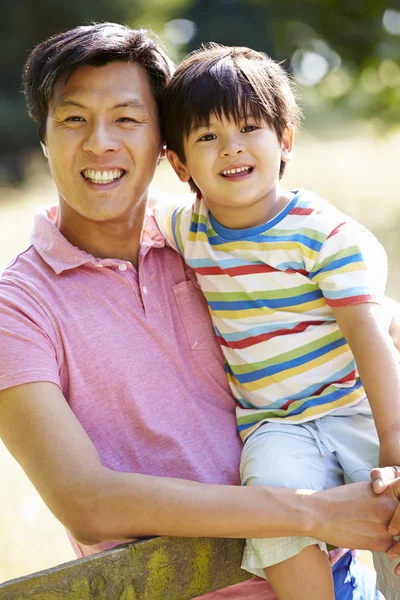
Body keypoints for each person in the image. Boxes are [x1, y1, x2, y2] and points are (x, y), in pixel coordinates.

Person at [0, 23, 400, 600]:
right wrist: (311, 514)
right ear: (43, 137)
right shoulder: (19, 308)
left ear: (163, 143)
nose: (100, 142)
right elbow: (86, 503)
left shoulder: (215, 232)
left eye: (128, 118)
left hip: (339, 576)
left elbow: (374, 318)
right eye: (73, 119)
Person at [154, 43, 400, 600]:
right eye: (207, 137)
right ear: (179, 163)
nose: (231, 148)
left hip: (353, 405)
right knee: (273, 502)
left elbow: (369, 337)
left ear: (285, 139)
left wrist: (394, 441)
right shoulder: (188, 230)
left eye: (249, 127)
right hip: (276, 425)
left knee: (396, 500)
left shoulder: (322, 233)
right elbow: (132, 206)